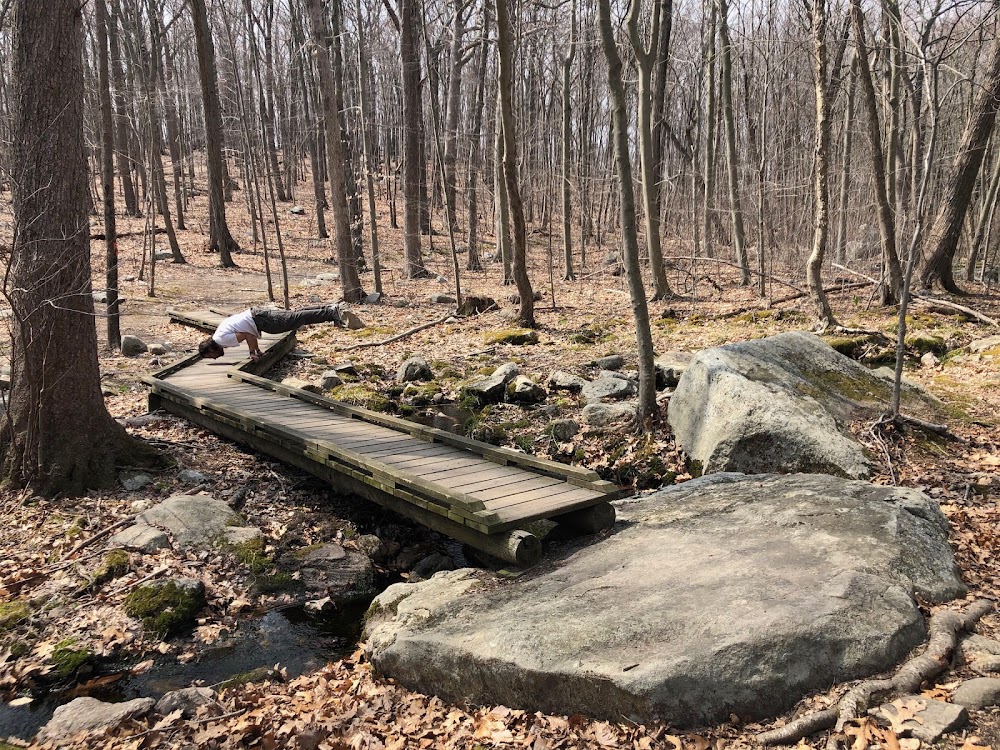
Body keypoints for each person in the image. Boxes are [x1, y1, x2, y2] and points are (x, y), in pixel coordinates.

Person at [198, 304, 344, 362]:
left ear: (210, 349)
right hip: (256, 317)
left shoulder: (221, 341)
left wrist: (252, 353)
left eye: (210, 356)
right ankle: (327, 310)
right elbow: (248, 333)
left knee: (294, 319)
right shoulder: (219, 336)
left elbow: (248, 335)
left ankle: (330, 312)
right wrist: (257, 351)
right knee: (294, 317)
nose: (214, 358)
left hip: (259, 320)